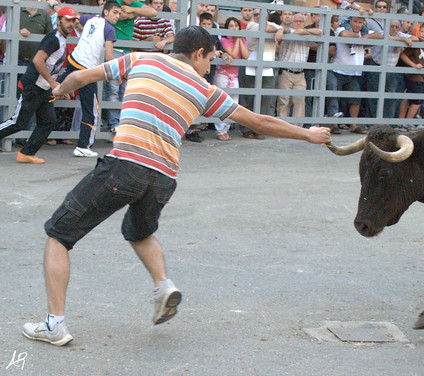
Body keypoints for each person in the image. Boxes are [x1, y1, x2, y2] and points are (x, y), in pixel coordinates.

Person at [21, 26, 331, 346]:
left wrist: (58, 90)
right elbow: (260, 122)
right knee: (139, 231)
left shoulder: (140, 60)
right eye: (210, 59)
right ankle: (163, 286)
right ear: (198, 53)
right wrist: (309, 134)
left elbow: (80, 77)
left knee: (59, 234)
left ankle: (54, 325)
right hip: (163, 179)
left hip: (125, 166)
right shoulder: (205, 90)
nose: (209, 67)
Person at [0, 7, 79, 164]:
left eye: (73, 20)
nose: (71, 24)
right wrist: (52, 82)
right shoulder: (54, 39)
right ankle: (26, 153)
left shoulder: (61, 39)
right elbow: (37, 60)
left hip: (43, 88)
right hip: (33, 86)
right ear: (58, 21)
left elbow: (51, 66)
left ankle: (26, 153)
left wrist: (56, 87)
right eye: (67, 20)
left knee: (48, 121)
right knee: (18, 122)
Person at [57, 1, 122, 157]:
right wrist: (117, 75)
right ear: (106, 12)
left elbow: (77, 20)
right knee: (92, 111)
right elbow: (109, 56)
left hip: (73, 60)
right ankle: (83, 146)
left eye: (119, 13)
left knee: (55, 90)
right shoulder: (109, 29)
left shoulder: (90, 19)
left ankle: (36, 98)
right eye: (114, 12)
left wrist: (81, 30)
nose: (117, 16)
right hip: (85, 69)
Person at [103, 0, 156, 133]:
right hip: (114, 49)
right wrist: (132, 13)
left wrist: (132, 11)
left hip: (127, 50)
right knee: (113, 88)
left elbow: (153, 12)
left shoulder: (134, 5)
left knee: (124, 89)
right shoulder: (116, 2)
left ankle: (122, 122)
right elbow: (117, 16)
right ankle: (113, 123)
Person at [239, 10, 283, 140]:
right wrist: (279, 29)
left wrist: (279, 29)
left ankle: (260, 129)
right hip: (251, 64)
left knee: (266, 99)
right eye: (256, 14)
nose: (259, 16)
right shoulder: (252, 25)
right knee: (247, 99)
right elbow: (266, 28)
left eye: (262, 14)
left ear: (267, 16)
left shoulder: (272, 26)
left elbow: (282, 30)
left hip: (268, 65)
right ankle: (246, 128)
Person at [333, 16, 381, 134]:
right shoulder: (342, 29)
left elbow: (380, 35)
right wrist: (359, 37)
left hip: (355, 72)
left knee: (355, 99)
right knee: (333, 98)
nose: (357, 25)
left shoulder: (364, 32)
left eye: (360, 22)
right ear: (350, 21)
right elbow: (343, 34)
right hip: (338, 69)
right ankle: (333, 124)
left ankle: (353, 125)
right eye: (355, 22)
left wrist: (366, 36)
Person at [276, 13, 321, 127]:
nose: (298, 23)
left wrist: (305, 31)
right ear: (292, 22)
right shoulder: (288, 32)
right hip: (286, 72)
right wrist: (281, 30)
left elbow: (319, 32)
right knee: (283, 101)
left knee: (300, 101)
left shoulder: (306, 34)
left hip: (300, 74)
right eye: (296, 21)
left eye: (301, 21)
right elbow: (287, 31)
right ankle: (283, 128)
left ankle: (297, 128)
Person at [213, 17, 248, 141]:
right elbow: (232, 54)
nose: (234, 28)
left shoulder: (242, 40)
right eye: (231, 26)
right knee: (222, 103)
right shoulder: (224, 40)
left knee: (234, 104)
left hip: (234, 76)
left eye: (236, 26)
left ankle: (225, 130)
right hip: (222, 75)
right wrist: (237, 41)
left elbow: (245, 56)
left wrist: (239, 39)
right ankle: (219, 131)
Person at [398, 22, 424, 121]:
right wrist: (413, 65)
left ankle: (403, 121)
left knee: (411, 98)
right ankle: (406, 121)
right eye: (421, 31)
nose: (423, 34)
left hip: (423, 76)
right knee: (416, 100)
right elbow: (403, 55)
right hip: (414, 76)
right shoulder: (416, 45)